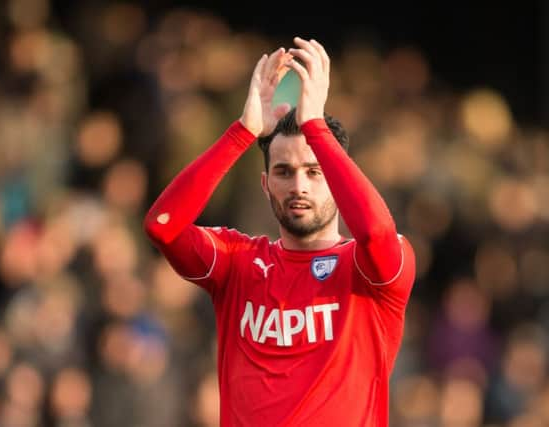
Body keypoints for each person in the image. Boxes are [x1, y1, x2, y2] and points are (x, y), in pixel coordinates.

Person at [144, 36, 416, 427]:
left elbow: (374, 231)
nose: (298, 186)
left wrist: (316, 128)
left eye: (314, 171)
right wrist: (243, 132)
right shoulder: (237, 262)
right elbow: (162, 226)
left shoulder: (370, 270)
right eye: (283, 172)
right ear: (265, 184)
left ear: (339, 179)